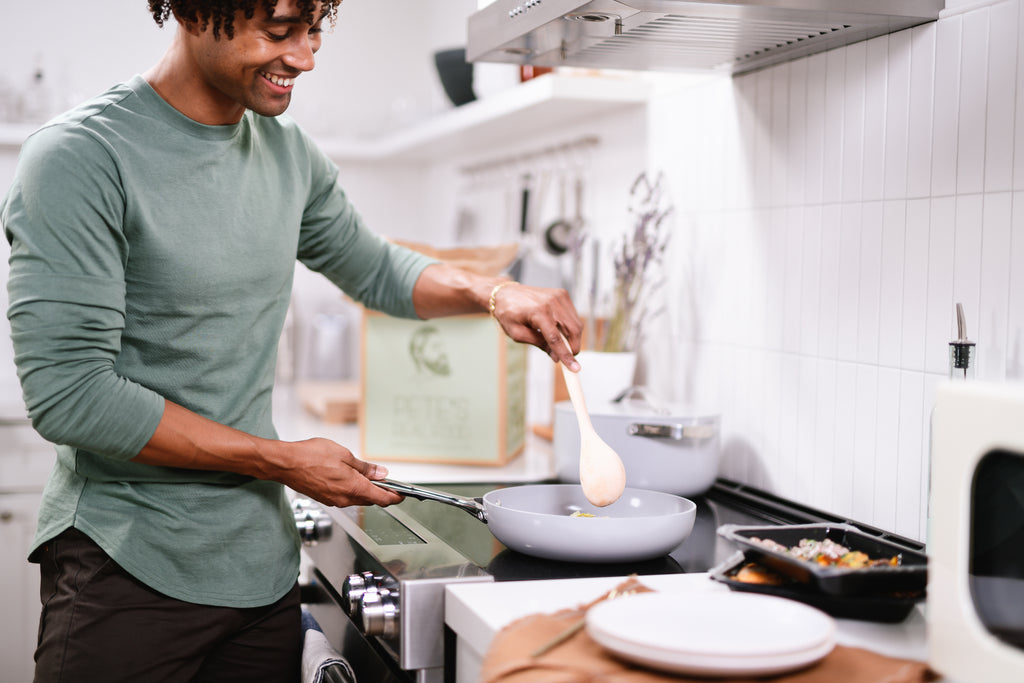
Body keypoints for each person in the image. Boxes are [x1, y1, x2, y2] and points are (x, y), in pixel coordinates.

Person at [0, 1, 583, 681]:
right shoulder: (80, 157)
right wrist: (280, 460)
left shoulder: (286, 151)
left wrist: (494, 293)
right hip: (127, 569)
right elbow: (73, 396)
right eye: (278, 32)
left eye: (313, 31)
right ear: (192, 12)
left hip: (259, 571)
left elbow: (374, 266)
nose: (304, 57)